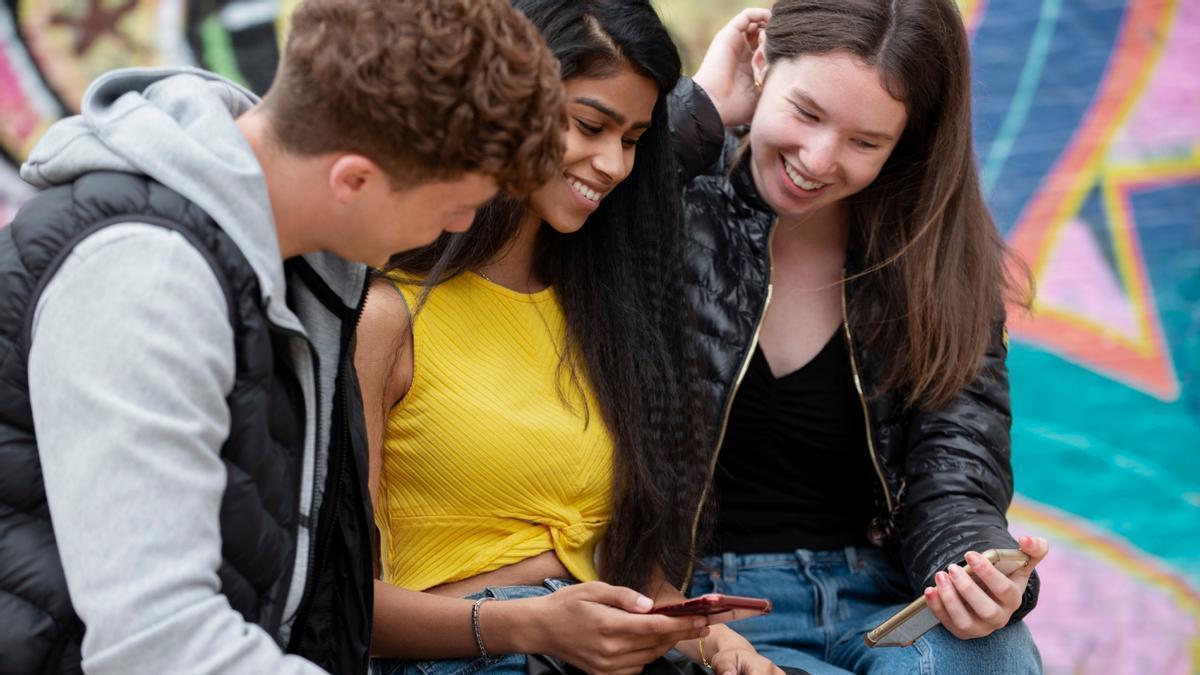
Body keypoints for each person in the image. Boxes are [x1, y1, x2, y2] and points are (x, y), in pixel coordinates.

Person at [0, 0, 564, 672]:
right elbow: (160, 642)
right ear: (353, 179)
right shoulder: (148, 280)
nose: (459, 227)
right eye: (456, 206)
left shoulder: (291, 254)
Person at [355, 2, 784, 675]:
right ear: (506, 103)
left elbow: (635, 580)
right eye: (590, 125)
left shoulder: (605, 313)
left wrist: (716, 641)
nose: (613, 164)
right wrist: (529, 622)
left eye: (635, 138)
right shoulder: (388, 314)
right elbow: (338, 601)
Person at [670, 1, 1050, 673]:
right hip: (697, 603)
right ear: (761, 63)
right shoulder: (667, 197)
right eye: (808, 113)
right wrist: (695, 108)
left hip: (880, 598)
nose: (818, 160)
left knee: (994, 652)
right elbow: (539, 203)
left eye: (865, 142)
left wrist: (975, 571)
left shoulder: (936, 257)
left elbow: (956, 462)